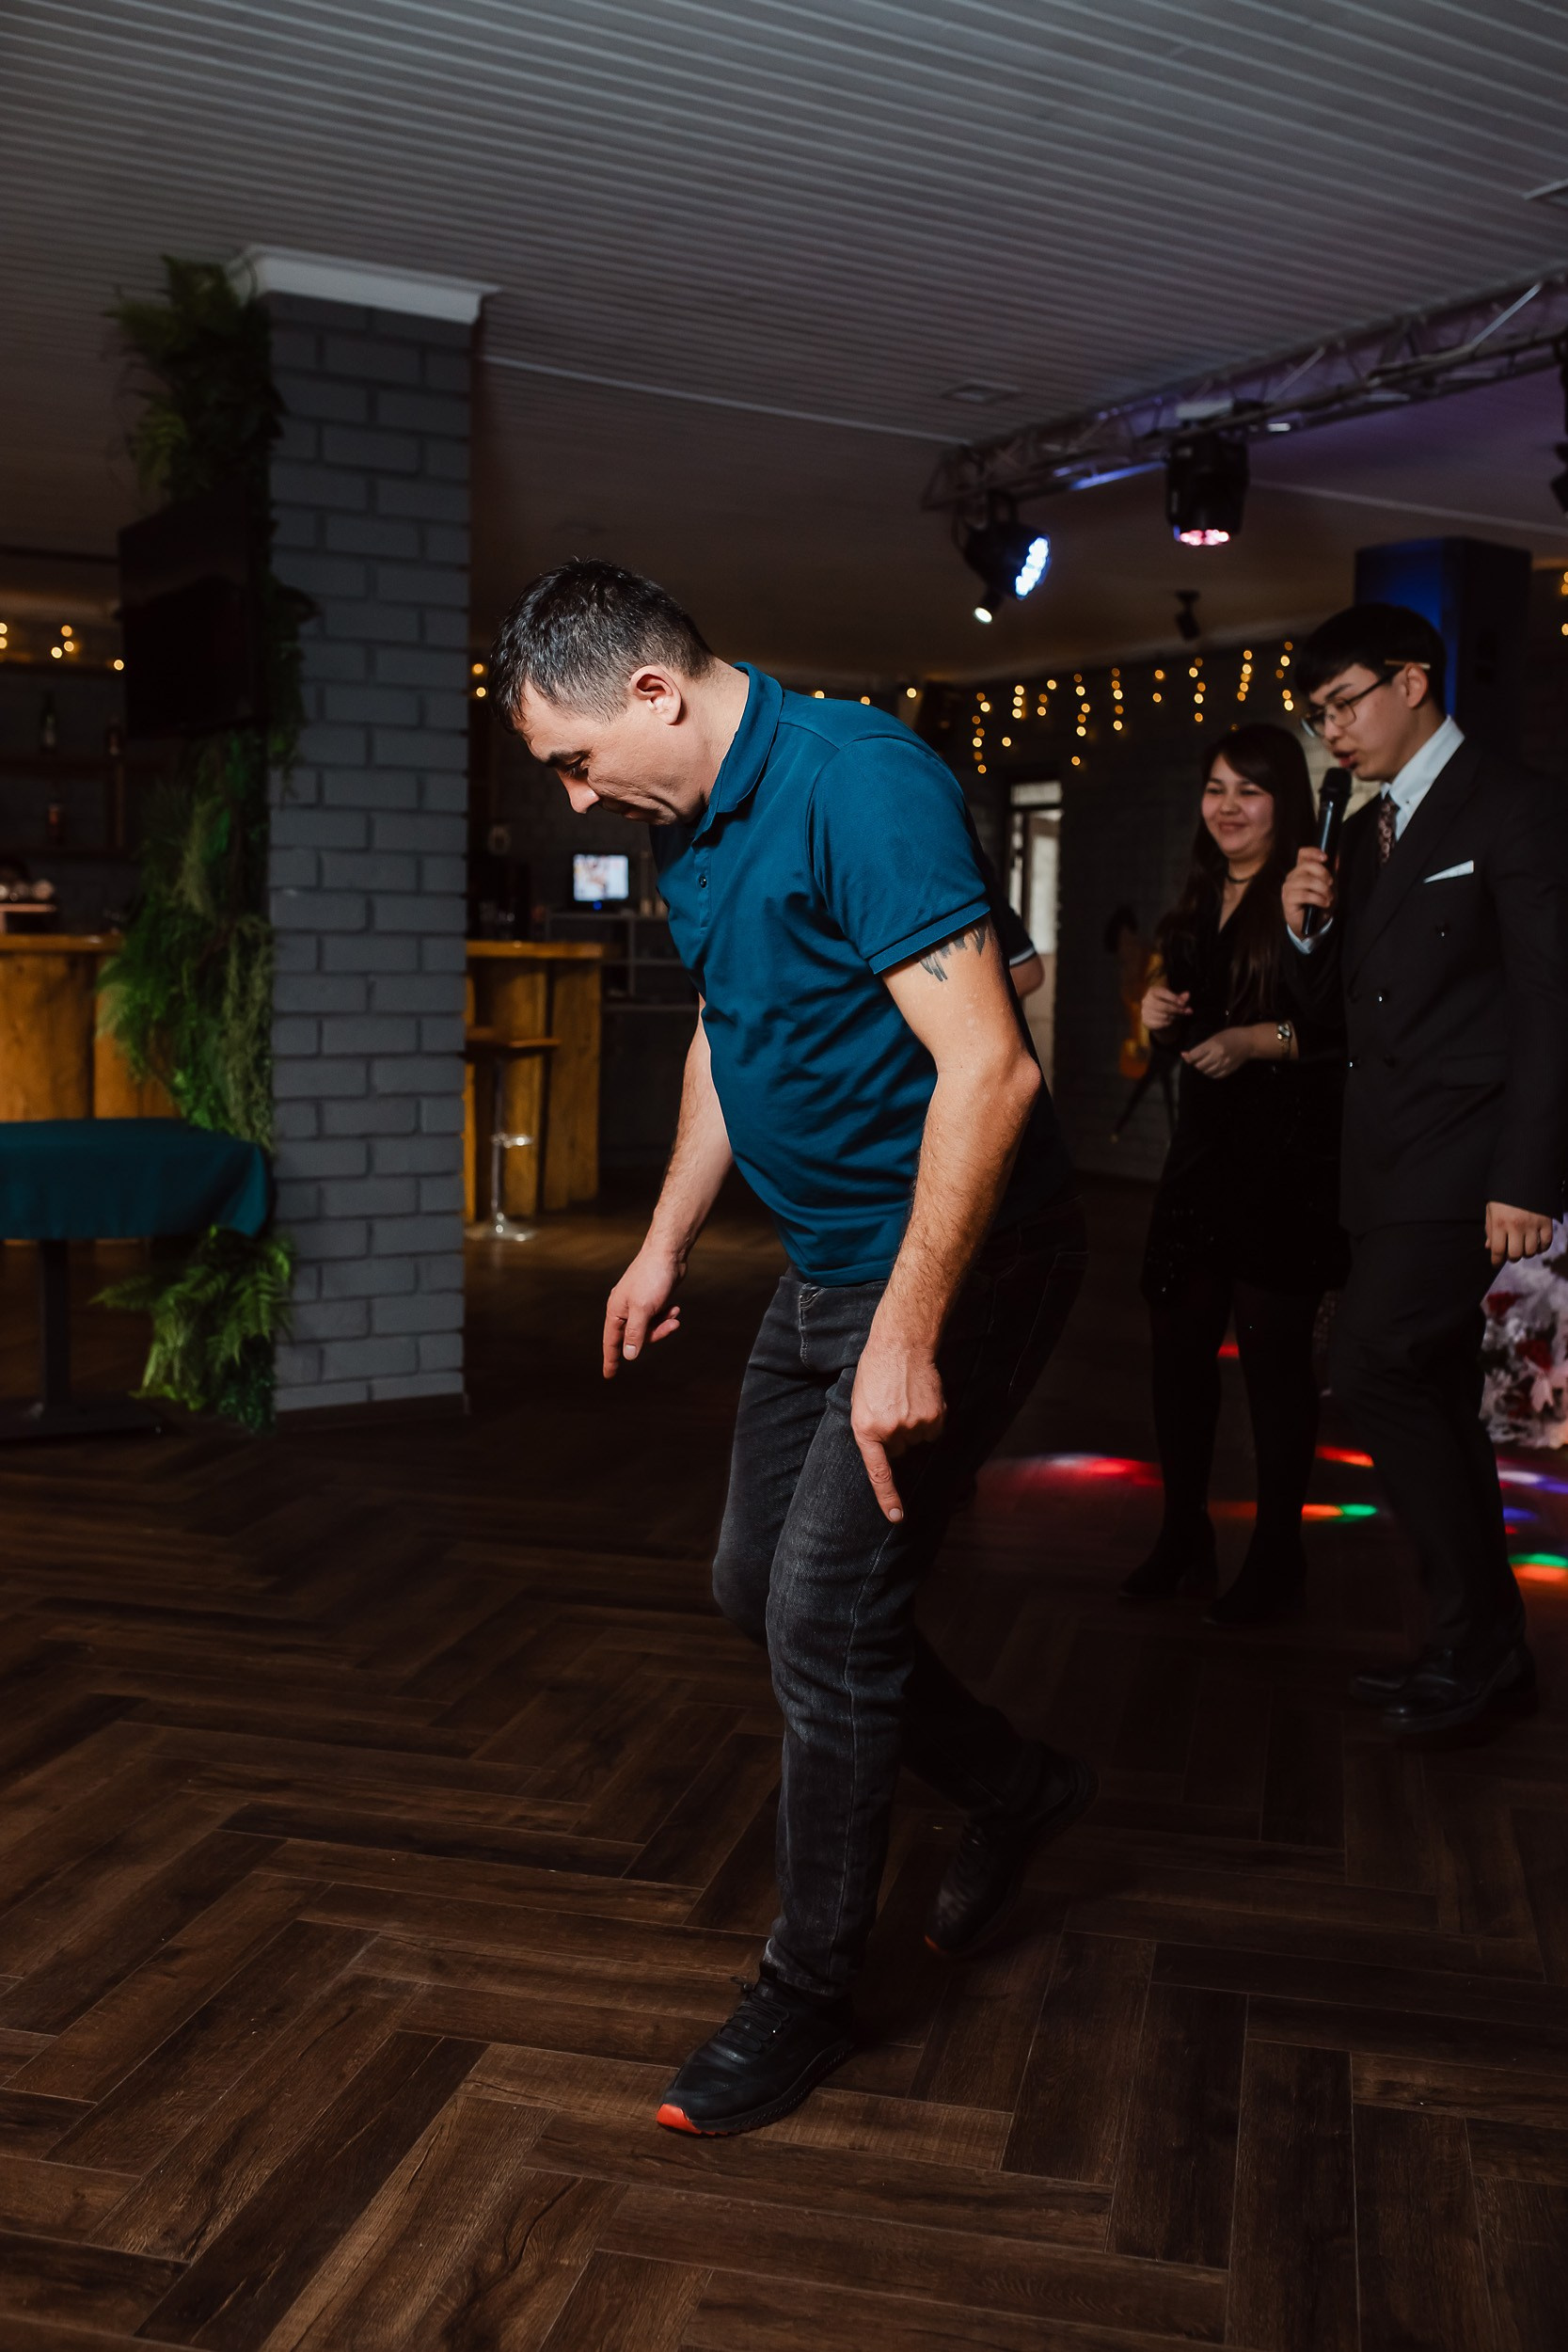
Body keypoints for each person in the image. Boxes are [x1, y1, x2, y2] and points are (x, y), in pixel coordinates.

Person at [490, 562, 1092, 2137]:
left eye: (573, 760)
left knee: (824, 1613)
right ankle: (1018, 1785)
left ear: (652, 693)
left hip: (962, 1260)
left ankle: (807, 1992)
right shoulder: (685, 821)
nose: (572, 799)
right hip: (826, 1260)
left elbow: (992, 1073)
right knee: (749, 1586)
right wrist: (663, 1242)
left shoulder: (858, 785)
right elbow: (729, 1027)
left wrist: (909, 1334)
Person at [1282, 602, 1568, 1734]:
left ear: (1409, 680)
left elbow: (1549, 1002)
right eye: (1316, 716)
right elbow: (1336, 1016)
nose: (1331, 732)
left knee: (1372, 1365)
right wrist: (1304, 930)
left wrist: (1527, 1176)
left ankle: (1473, 1642)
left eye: (1341, 704)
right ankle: (1479, 1650)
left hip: (1471, 1155)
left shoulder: (1512, 805)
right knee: (1432, 1387)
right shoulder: (1361, 833)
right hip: (1382, 1160)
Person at [1124, 726, 1348, 1626]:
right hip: (1201, 1159)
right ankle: (1183, 1534)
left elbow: (1336, 1033)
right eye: (1214, 788)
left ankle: (1276, 1555)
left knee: (1272, 1369)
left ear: (1283, 802)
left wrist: (1257, 1040)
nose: (1225, 807)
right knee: (1176, 1356)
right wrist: (1159, 1019)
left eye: (1247, 791)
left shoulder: (1308, 894)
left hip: (1284, 1165)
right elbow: (1186, 1032)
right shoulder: (1195, 897)